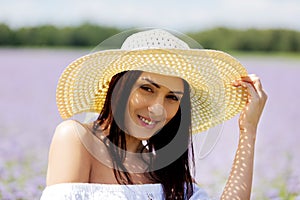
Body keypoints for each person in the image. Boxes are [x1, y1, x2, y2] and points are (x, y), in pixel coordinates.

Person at [40, 29, 267, 200]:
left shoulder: (165, 169)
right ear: (118, 87)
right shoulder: (76, 137)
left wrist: (248, 130)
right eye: (147, 89)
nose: (158, 108)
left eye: (172, 98)